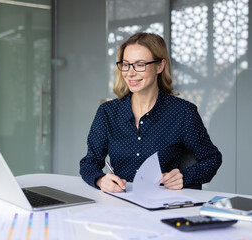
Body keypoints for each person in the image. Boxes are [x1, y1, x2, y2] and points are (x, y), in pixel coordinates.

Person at [80, 32, 222, 193]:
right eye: (126, 64)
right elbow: (89, 162)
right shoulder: (107, 112)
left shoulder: (183, 112)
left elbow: (212, 159)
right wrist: (99, 179)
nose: (130, 73)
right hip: (119, 203)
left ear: (160, 66)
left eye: (140, 64)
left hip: (163, 205)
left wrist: (184, 176)